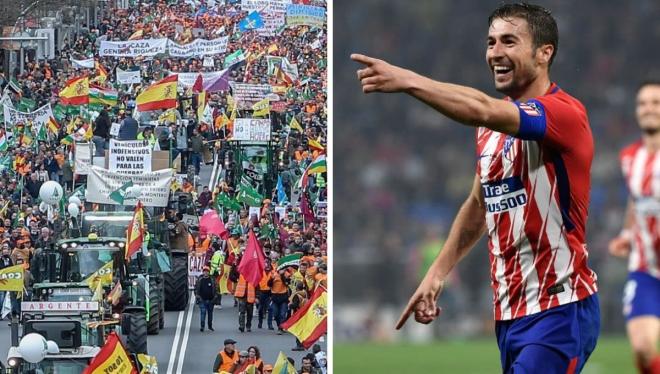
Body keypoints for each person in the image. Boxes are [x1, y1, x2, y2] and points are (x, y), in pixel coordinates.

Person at [353, 3, 599, 373]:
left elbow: (482, 108)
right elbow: (480, 203)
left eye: (509, 41)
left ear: (544, 52)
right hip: (509, 313)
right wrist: (436, 272)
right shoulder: (489, 131)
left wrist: (410, 81)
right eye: (490, 42)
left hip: (558, 308)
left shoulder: (564, 113)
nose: (495, 53)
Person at [608, 80, 660, 374]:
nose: (648, 109)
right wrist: (627, 234)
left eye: (655, 103)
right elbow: (635, 199)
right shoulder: (630, 157)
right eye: (643, 103)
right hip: (647, 269)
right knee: (642, 348)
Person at [195, 266, 216, 332]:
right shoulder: (199, 280)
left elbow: (216, 289)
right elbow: (196, 290)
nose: (205, 272)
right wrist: (198, 297)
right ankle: (202, 326)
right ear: (203, 272)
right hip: (202, 300)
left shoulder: (212, 280)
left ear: (209, 272)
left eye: (207, 271)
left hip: (210, 300)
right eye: (204, 271)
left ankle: (210, 326)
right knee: (203, 312)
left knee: (210, 314)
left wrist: (215, 298)